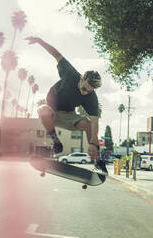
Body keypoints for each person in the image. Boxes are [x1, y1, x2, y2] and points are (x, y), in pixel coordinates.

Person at [25, 36, 108, 175]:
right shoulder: (70, 73)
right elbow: (56, 54)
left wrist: (93, 144)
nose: (85, 93)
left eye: (89, 91)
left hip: (68, 115)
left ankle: (98, 162)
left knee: (88, 124)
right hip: (51, 109)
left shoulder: (91, 97)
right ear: (81, 79)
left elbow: (94, 122)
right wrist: (40, 41)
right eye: (84, 88)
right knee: (42, 110)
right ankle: (57, 143)